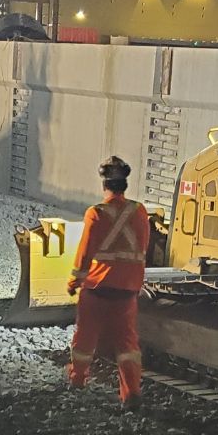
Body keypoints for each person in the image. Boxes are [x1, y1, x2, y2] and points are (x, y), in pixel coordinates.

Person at [66, 156, 150, 410]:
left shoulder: (96, 214)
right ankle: (131, 392)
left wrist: (74, 280)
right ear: (124, 184)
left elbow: (84, 252)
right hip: (126, 291)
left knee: (85, 337)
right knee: (127, 344)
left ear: (105, 185)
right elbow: (143, 247)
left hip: (97, 289)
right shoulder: (140, 211)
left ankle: (78, 380)